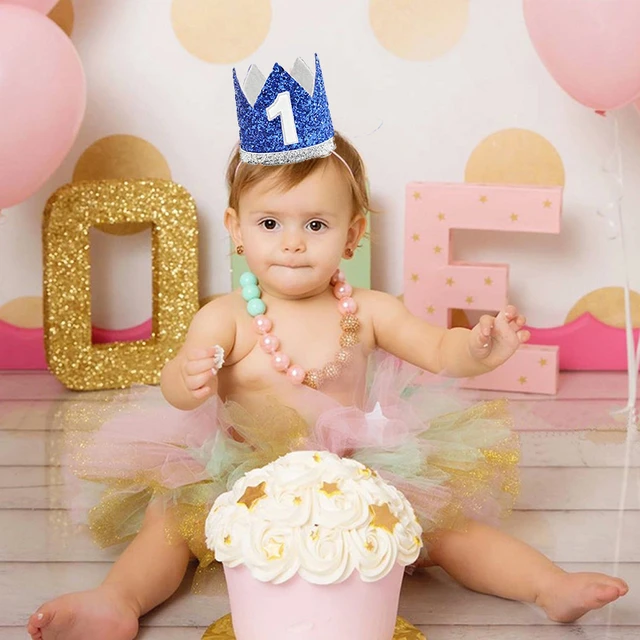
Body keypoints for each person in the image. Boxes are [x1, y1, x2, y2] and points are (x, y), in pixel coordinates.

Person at [28, 55, 627, 640]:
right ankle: (117, 601)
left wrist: (478, 349)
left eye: (315, 224)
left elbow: (439, 350)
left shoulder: (368, 310)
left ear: (352, 234)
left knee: (446, 530)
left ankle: (547, 585)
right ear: (236, 230)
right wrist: (185, 381)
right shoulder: (226, 318)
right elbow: (177, 391)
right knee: (170, 524)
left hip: (358, 475)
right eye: (270, 224)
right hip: (247, 481)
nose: (292, 243)